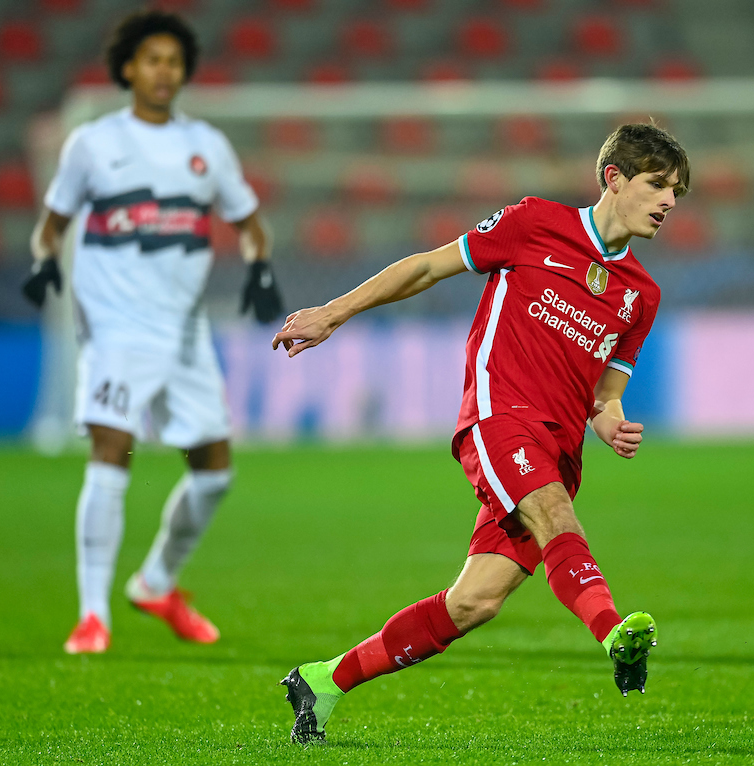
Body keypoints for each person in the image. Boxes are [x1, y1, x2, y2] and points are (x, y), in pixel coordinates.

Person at [271, 123, 688, 743]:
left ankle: (324, 680)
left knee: (474, 603)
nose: (668, 203)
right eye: (658, 185)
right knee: (555, 518)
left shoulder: (640, 296)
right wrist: (333, 313)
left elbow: (606, 394)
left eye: (677, 193)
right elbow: (428, 267)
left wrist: (611, 421)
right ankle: (613, 632)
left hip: (559, 448)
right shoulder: (533, 224)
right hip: (499, 421)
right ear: (614, 178)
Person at [23, 10, 284, 653]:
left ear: (184, 70)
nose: (163, 71)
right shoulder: (91, 143)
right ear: (128, 69)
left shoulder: (207, 147)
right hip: (114, 325)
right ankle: (92, 616)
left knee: (215, 472)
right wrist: (41, 264)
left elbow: (249, 222)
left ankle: (155, 584)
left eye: (173, 60)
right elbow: (52, 223)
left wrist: (260, 271)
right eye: (152, 60)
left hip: (185, 330)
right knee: (111, 452)